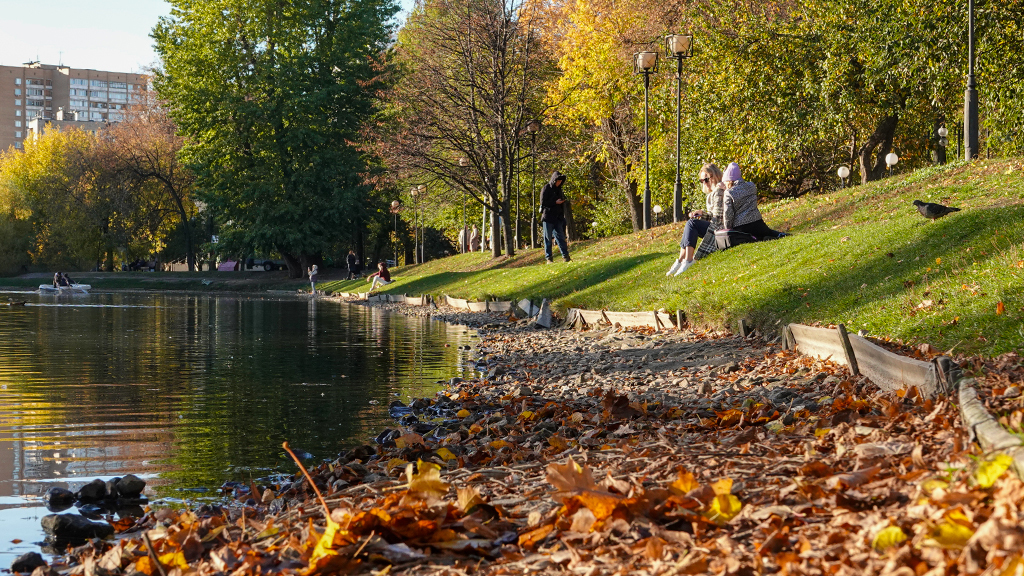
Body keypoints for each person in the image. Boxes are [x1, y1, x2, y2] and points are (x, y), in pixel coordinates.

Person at [666, 163, 726, 276]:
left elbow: (719, 218)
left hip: (720, 228)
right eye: (701, 181)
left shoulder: (719, 191)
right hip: (716, 225)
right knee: (690, 224)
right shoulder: (711, 194)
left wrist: (703, 216)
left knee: (692, 224)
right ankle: (680, 260)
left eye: (706, 179)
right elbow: (713, 215)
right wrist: (702, 214)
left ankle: (687, 260)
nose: (704, 183)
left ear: (714, 176)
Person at [540, 171, 571, 263]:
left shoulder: (559, 190)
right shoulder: (546, 188)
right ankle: (549, 258)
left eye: (561, 181)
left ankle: (565, 256)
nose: (559, 183)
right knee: (548, 238)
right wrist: (554, 203)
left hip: (558, 217)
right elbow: (543, 202)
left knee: (561, 237)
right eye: (558, 181)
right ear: (554, 180)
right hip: (548, 217)